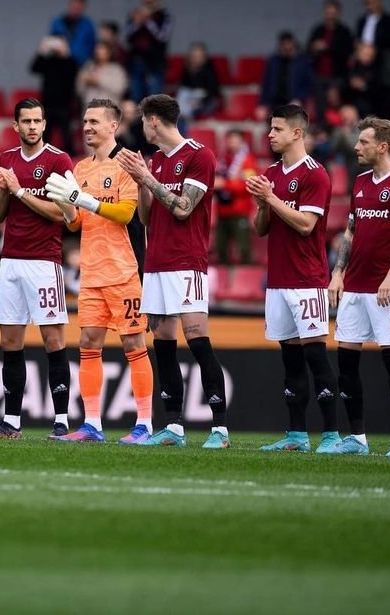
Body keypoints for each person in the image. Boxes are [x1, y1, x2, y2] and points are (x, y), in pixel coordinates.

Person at [117, 95, 230, 448]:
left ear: (153, 121)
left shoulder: (199, 155)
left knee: (198, 342)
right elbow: (149, 218)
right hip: (157, 263)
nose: (141, 128)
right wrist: (141, 182)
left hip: (186, 262)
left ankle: (220, 430)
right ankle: (174, 427)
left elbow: (183, 208)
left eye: (142, 121)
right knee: (163, 346)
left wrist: (146, 178)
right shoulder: (157, 161)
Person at [43, 99, 155, 443]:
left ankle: (145, 424)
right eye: (85, 121)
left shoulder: (128, 163)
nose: (87, 127)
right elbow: (77, 224)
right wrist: (64, 206)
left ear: (113, 125)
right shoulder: (80, 168)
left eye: (94, 122)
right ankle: (92, 424)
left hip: (125, 269)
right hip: (92, 270)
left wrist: (82, 198)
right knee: (89, 343)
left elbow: (125, 214)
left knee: (133, 343)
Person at [327, 118, 390, 457]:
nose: (357, 147)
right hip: (354, 287)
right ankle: (357, 438)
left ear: (382, 146)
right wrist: (338, 272)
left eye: (363, 142)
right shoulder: (359, 182)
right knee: (346, 364)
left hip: (387, 290)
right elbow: (351, 232)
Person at [246, 104, 340, 453]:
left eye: (277, 129)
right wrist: (261, 203)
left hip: (307, 279)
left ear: (297, 133)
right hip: (279, 279)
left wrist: (270, 197)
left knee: (316, 357)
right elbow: (261, 229)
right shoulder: (271, 172)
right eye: (271, 128)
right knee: (290, 359)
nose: (270, 134)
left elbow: (306, 225)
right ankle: (296, 435)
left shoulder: (315, 174)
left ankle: (331, 434)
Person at [0, 98, 73, 439]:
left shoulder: (58, 160)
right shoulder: (6, 160)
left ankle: (62, 420)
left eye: (37, 120)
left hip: (44, 262)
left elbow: (63, 214)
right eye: (26, 121)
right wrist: (5, 188)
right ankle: (12, 422)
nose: (32, 126)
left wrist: (18, 190)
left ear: (45, 124)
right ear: (15, 126)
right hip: (11, 262)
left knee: (53, 340)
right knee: (10, 342)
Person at [213, 129, 257, 264]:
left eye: (235, 140)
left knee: (244, 250)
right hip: (222, 211)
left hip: (240, 211)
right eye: (230, 140)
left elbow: (248, 185)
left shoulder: (247, 160)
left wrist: (225, 184)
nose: (232, 143)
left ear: (242, 142)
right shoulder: (222, 160)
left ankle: (246, 280)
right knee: (220, 250)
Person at [125, 0, 172, 102]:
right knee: (135, 96)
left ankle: (153, 121)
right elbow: (128, 36)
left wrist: (148, 22)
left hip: (155, 62)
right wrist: (137, 22)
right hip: (137, 60)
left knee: (154, 99)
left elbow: (163, 37)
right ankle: (136, 121)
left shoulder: (164, 15)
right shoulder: (135, 13)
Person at [49, 0, 96, 67]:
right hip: (60, 64)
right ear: (69, 5)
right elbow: (52, 43)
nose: (76, 8)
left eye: (79, 7)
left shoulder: (88, 25)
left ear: (83, 7)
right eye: (74, 5)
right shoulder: (57, 22)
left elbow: (92, 46)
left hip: (80, 64)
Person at [75, 41, 128, 105]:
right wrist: (85, 82)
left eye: (102, 50)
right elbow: (78, 89)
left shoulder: (117, 70)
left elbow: (120, 89)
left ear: (109, 53)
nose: (99, 52)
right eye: (97, 49)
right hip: (89, 109)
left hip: (109, 108)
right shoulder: (88, 67)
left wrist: (99, 81)